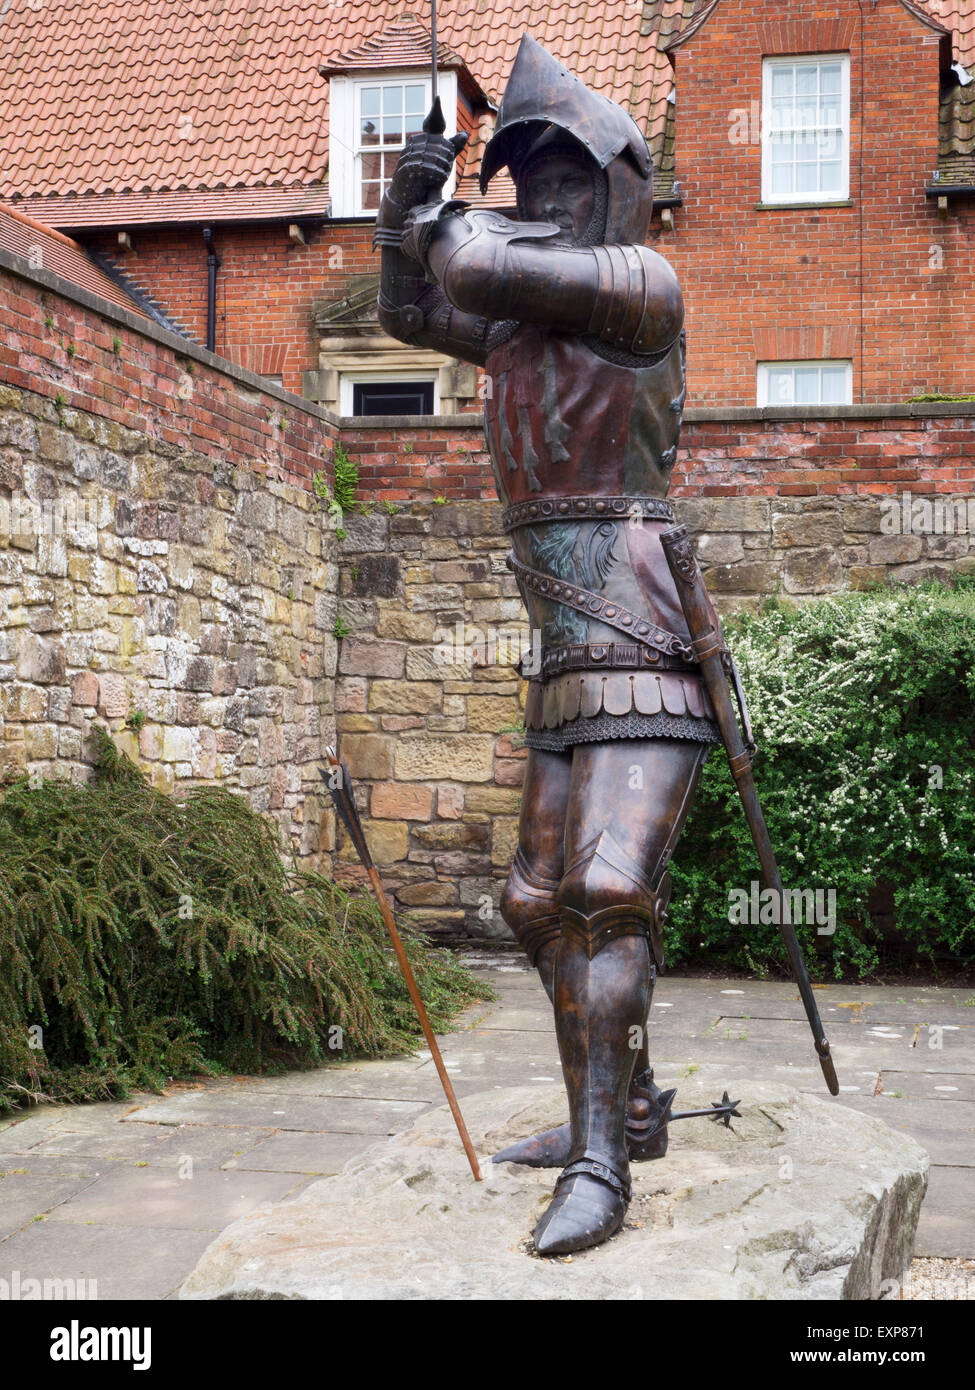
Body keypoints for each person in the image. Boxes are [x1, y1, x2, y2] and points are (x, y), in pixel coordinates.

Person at [376, 35, 721, 1256]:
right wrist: (403, 207)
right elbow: (414, 304)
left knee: (608, 890)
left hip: (640, 639)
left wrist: (448, 216)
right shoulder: (524, 317)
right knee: (532, 900)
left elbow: (467, 259)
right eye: (525, 175)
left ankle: (601, 1162)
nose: (542, 196)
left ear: (616, 181)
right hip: (564, 652)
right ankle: (620, 1099)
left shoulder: (639, 284)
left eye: (563, 174)